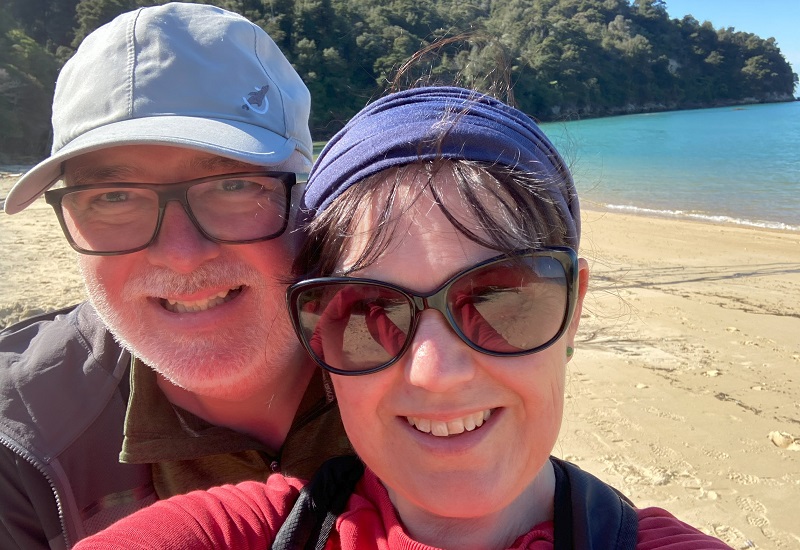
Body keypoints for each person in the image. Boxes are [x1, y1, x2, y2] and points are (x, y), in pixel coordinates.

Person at [73, 87, 733, 549]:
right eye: (371, 312)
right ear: (319, 339)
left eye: (499, 298)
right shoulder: (246, 533)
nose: (437, 371)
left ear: (573, 307)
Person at [0, 4, 351, 549]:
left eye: (234, 186)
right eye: (114, 197)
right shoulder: (20, 436)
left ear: (309, 197)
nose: (182, 255)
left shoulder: (422, 347)